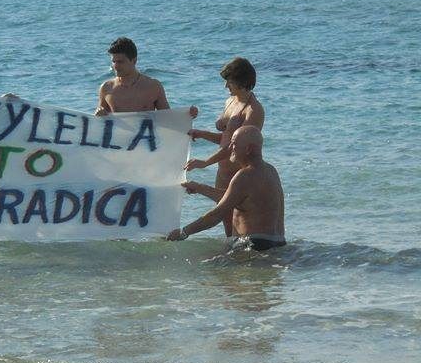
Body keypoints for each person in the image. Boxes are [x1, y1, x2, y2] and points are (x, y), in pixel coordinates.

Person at [167, 125, 285, 251]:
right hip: (278, 242)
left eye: (234, 144)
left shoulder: (245, 175)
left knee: (206, 266)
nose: (230, 148)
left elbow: (216, 216)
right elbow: (237, 198)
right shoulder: (270, 170)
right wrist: (199, 188)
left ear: (249, 149)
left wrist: (183, 232)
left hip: (255, 245)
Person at [186, 57, 265, 235]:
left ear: (240, 81)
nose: (225, 86)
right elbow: (226, 138)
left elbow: (236, 146)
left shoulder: (254, 111)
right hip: (222, 171)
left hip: (239, 173)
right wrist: (201, 133)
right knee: (226, 226)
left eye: (228, 81)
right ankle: (231, 256)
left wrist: (205, 162)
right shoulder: (230, 101)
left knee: (240, 225)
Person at [95, 37, 197, 117]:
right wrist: (99, 113)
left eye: (120, 62)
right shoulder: (106, 88)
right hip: (119, 142)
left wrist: (187, 115)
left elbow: (167, 119)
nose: (115, 66)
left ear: (134, 61)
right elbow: (99, 125)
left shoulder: (153, 86)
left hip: (146, 142)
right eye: (113, 61)